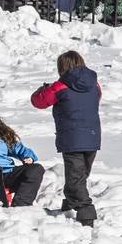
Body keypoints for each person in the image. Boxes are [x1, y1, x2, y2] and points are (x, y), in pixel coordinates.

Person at [31, 50, 101, 227]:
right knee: (80, 175)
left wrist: (43, 89)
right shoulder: (94, 84)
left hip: (72, 138)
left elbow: (38, 101)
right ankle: (69, 204)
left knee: (76, 177)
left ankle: (86, 213)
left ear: (62, 67)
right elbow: (97, 98)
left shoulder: (60, 86)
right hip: (92, 137)